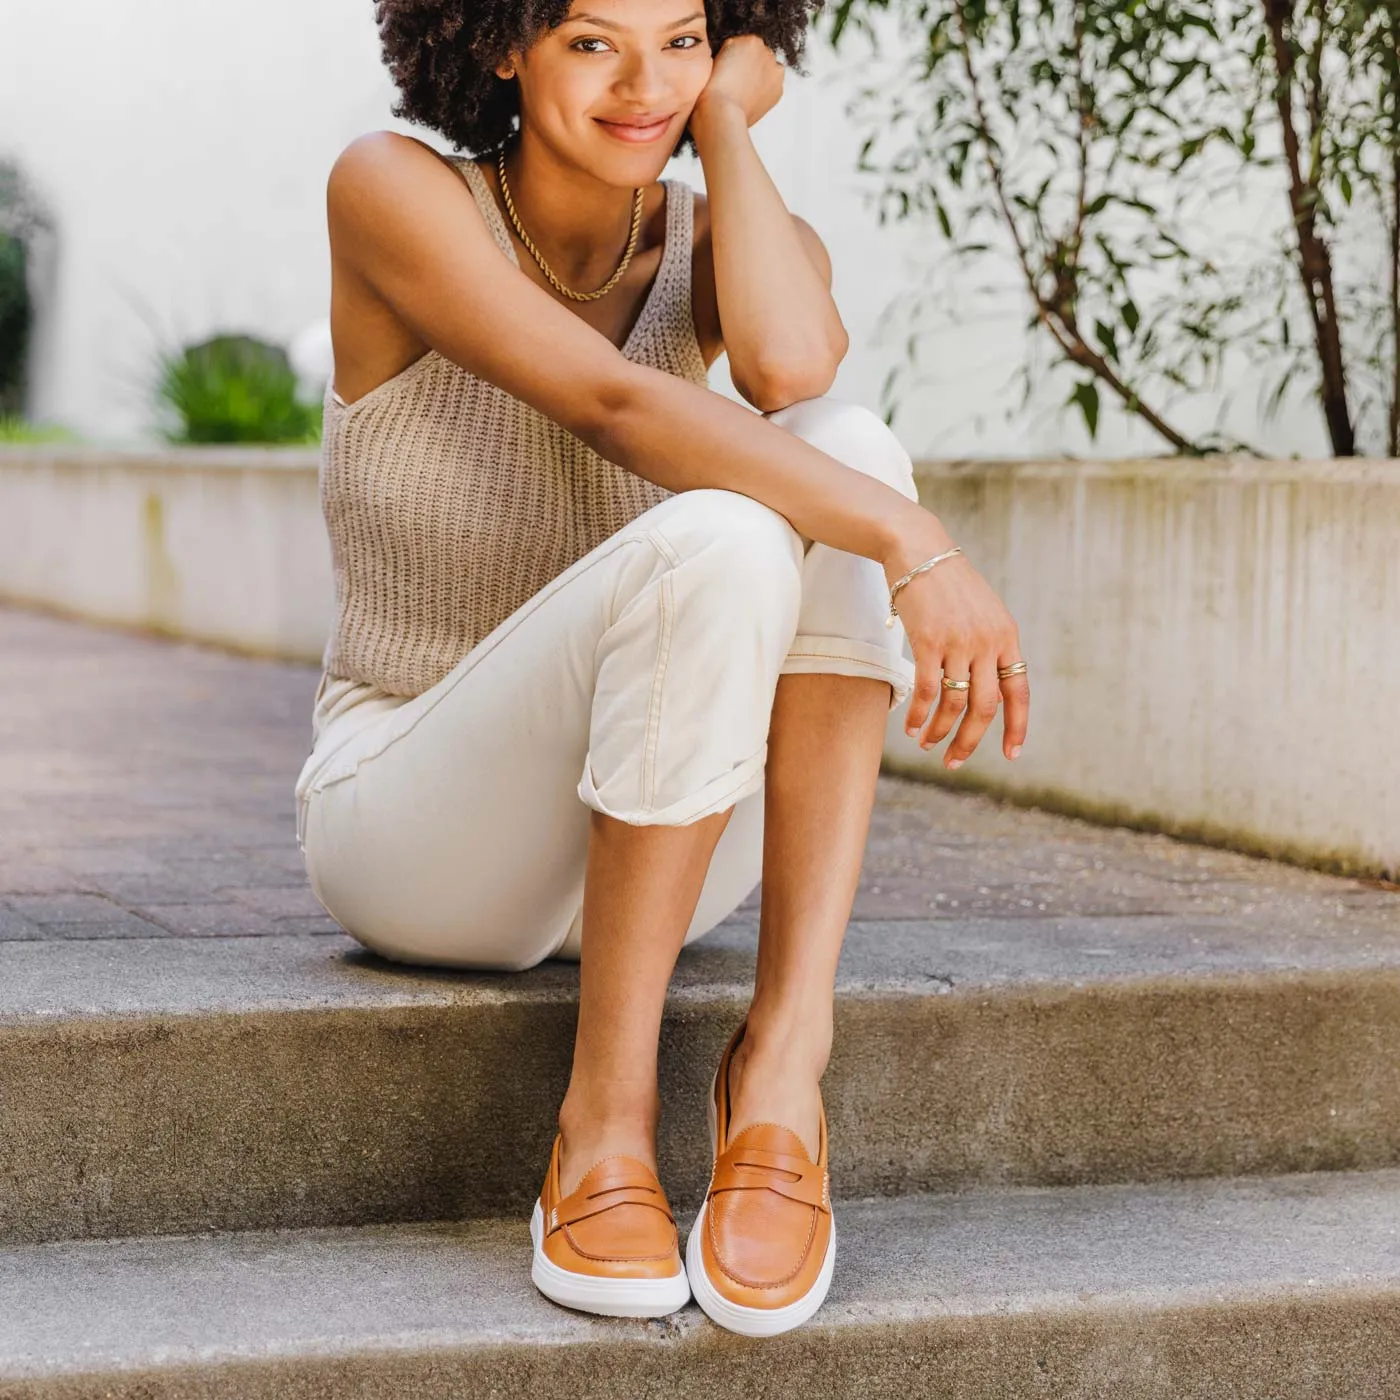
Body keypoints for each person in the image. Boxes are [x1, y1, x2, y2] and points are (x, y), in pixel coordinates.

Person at [294, 0, 1030, 1338]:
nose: (644, 82)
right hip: (413, 823)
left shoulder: (712, 228)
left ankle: (781, 1076)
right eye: (592, 41)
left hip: (660, 840)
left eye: (684, 39)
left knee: (845, 442)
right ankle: (603, 1132)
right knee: (728, 530)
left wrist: (729, 130)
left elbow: (797, 363)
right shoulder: (395, 192)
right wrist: (917, 544)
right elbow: (614, 403)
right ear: (501, 43)